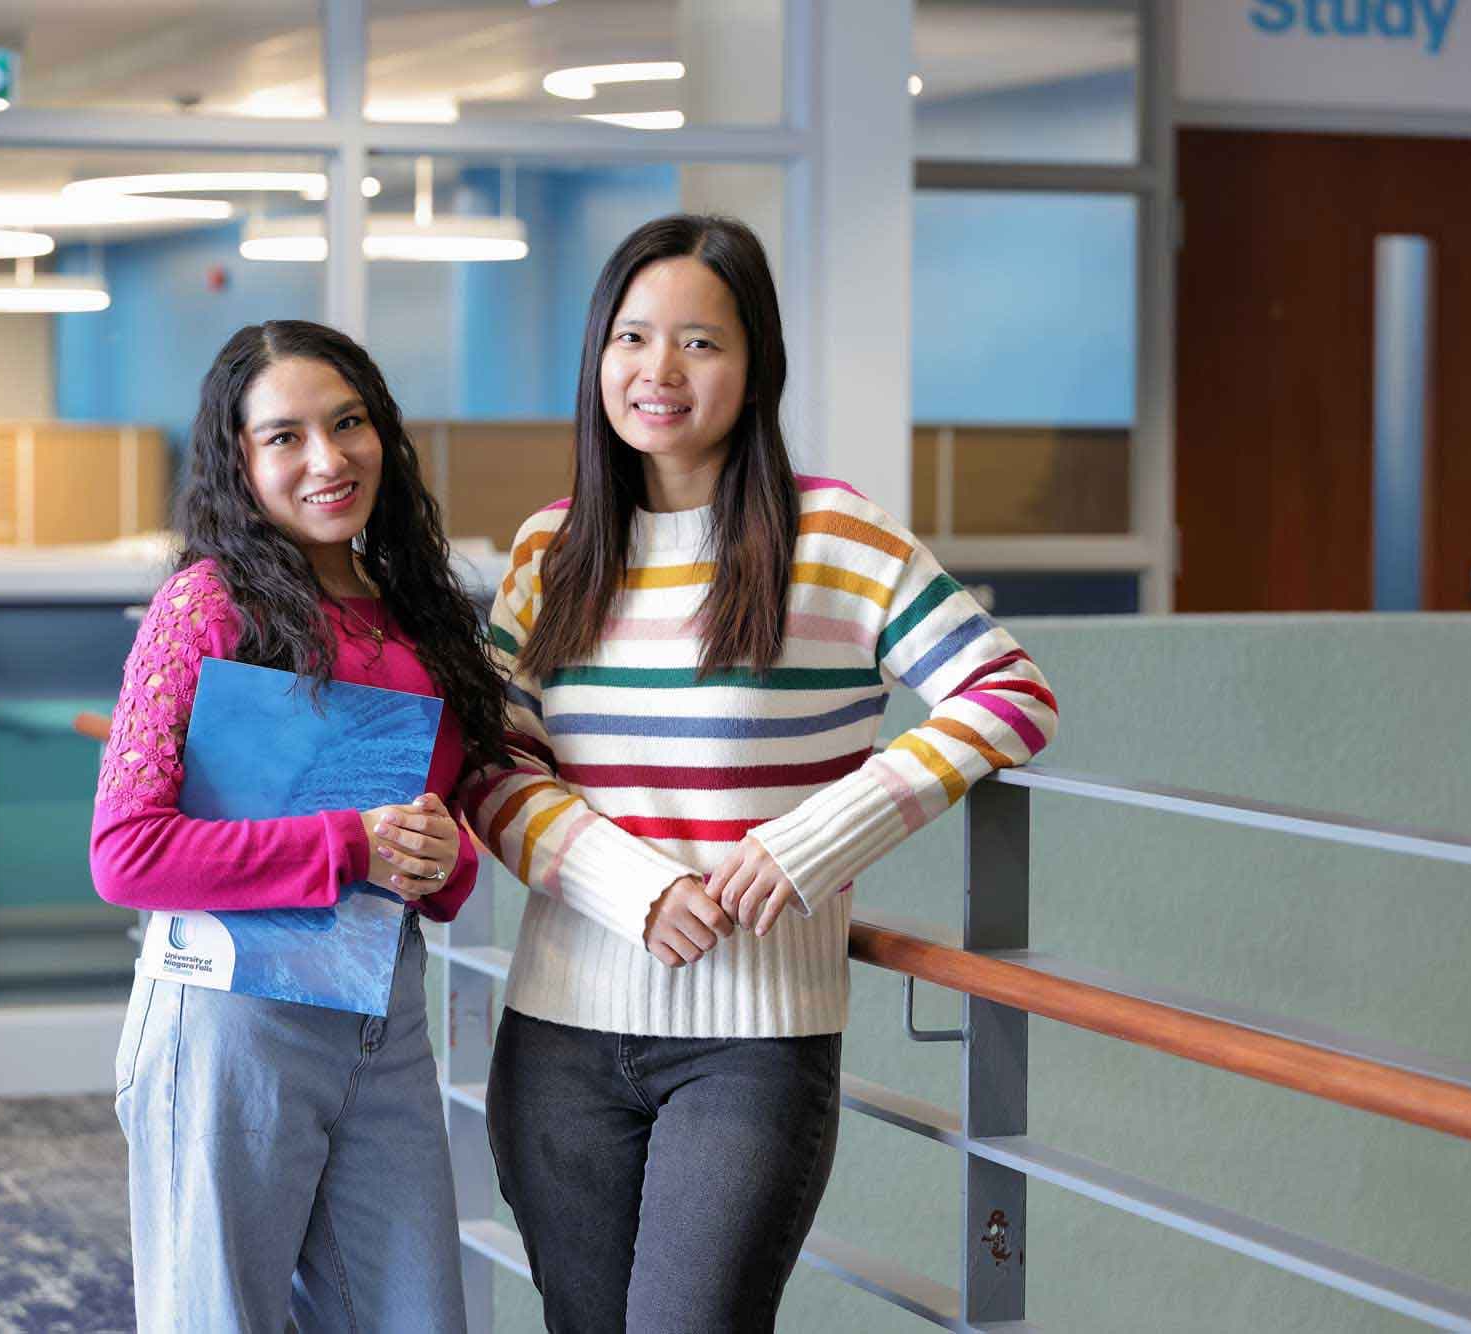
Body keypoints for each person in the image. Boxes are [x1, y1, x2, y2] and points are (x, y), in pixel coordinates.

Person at [464, 214, 1059, 1333]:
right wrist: (626, 885)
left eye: (699, 342)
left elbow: (1007, 695)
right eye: (632, 337)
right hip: (556, 1030)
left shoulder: (832, 536)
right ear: (596, 356)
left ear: (755, 364)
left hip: (754, 1039)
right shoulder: (551, 547)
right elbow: (496, 765)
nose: (658, 371)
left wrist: (804, 846)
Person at [91, 320, 505, 1333]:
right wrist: (348, 845)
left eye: (348, 422)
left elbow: (434, 835)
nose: (327, 458)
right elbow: (126, 850)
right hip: (229, 1022)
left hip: (383, 1016)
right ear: (237, 460)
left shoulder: (425, 615)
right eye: (284, 436)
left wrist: (443, 858)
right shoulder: (206, 607)